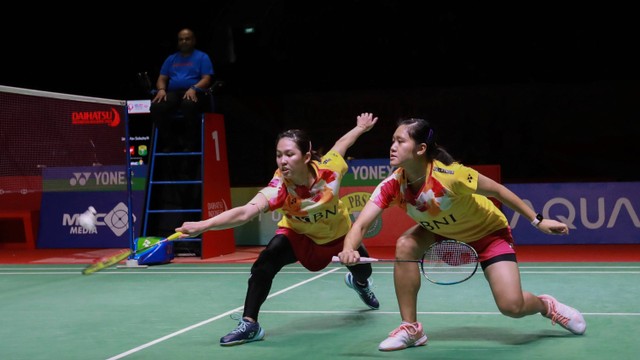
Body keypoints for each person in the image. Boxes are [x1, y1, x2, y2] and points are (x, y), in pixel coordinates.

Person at [338, 117, 587, 351]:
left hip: (488, 234)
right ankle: (411, 328)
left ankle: (547, 305)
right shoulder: (393, 185)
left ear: (421, 148)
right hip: (441, 233)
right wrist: (349, 248)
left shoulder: (451, 175)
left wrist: (538, 221)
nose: (392, 146)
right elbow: (360, 225)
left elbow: (498, 191)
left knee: (512, 306)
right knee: (405, 244)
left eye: (400, 141)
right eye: (392, 140)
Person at [175, 112, 381, 346]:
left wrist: (361, 128)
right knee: (266, 262)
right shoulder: (280, 187)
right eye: (278, 155)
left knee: (363, 271)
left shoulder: (330, 169)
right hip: (298, 235)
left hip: (338, 236)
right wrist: (204, 226)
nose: (282, 161)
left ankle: (360, 285)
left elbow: (341, 144)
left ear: (306, 155)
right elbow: (245, 212)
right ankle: (250, 323)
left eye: (289, 154)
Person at [150, 28, 214, 152]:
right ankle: (171, 142)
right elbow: (162, 78)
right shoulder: (171, 58)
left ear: (194, 40)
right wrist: (161, 89)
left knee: (188, 105)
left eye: (187, 39)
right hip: (174, 93)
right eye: (181, 39)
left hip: (196, 92)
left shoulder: (202, 57)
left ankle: (190, 142)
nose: (184, 41)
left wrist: (194, 88)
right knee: (156, 107)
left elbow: (207, 79)